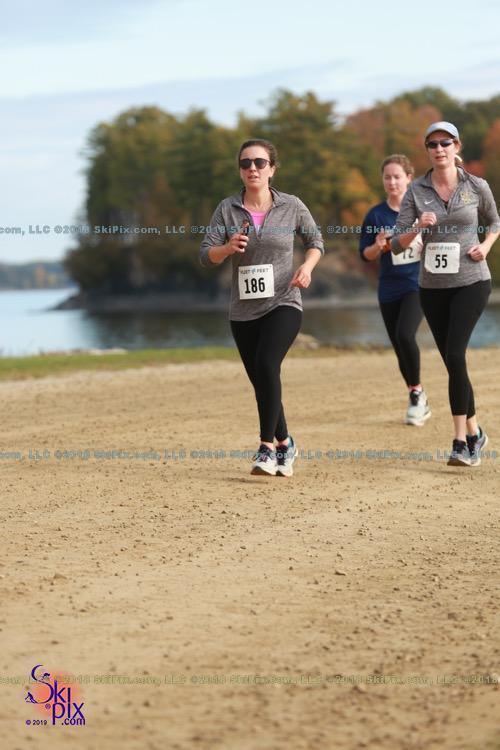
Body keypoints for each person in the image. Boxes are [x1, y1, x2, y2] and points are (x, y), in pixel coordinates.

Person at [200, 139, 324, 476]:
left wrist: (307, 267)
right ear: (240, 170)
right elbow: (206, 254)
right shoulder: (227, 209)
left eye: (259, 162)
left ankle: (266, 448)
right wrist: (227, 248)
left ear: (272, 169)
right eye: (245, 163)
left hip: (284, 301)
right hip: (243, 310)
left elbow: (315, 242)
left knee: (267, 365)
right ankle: (286, 443)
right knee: (261, 379)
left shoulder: (291, 205)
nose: (252, 168)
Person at [392, 121, 500, 466]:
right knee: (454, 362)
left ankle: (460, 442)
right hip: (432, 287)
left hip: (472, 281)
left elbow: (495, 222)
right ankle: (475, 432)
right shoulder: (416, 190)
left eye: (445, 143)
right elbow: (396, 244)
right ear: (427, 150)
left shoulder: (475, 186)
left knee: (455, 354)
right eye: (433, 144)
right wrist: (416, 227)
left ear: (457, 147)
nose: (439, 149)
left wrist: (486, 245)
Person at [360, 155, 430, 426]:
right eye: (387, 177)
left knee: (405, 334)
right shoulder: (375, 215)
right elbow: (365, 255)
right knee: (400, 345)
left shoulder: (422, 210)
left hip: (417, 284)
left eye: (397, 177)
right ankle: (417, 393)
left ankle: (416, 395)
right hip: (389, 287)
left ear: (409, 178)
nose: (392, 182)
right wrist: (377, 246)